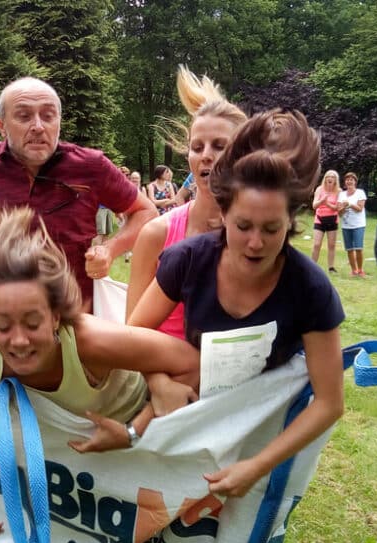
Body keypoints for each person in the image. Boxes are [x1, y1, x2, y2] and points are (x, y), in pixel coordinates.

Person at [0, 206, 199, 543]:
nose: (19, 340)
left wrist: (135, 429)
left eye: (32, 323)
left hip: (144, 443)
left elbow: (191, 361)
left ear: (56, 317)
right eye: (3, 325)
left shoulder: (91, 341)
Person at [128, 109, 345, 498]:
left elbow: (329, 402)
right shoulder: (188, 258)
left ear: (291, 219)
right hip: (189, 406)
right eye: (243, 227)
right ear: (226, 212)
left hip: (259, 424)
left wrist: (257, 466)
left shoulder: (311, 288)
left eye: (271, 229)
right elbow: (131, 335)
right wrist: (159, 384)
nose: (255, 243)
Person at [0, 77, 158, 306]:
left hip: (75, 316)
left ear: (59, 122)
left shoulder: (90, 166)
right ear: (1, 126)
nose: (38, 126)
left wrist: (110, 249)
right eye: (24, 116)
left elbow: (146, 211)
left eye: (48, 116)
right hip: (2, 321)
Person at [126, 65, 247, 340]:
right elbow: (131, 338)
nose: (206, 156)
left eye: (219, 146)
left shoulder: (258, 236)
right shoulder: (156, 234)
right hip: (163, 363)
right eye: (197, 147)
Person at [311, 170, 345, 273]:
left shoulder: (339, 191)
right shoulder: (319, 189)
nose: (330, 178)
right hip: (319, 219)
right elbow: (314, 205)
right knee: (316, 244)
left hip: (332, 220)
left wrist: (327, 203)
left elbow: (337, 208)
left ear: (336, 180)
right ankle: (312, 267)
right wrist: (322, 201)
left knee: (331, 245)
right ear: (325, 179)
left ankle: (331, 267)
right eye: (328, 176)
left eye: (333, 177)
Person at [339, 172, 368, 277]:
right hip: (346, 225)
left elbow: (360, 208)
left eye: (351, 179)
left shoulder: (360, 193)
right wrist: (343, 207)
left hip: (358, 225)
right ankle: (353, 270)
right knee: (349, 249)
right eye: (347, 180)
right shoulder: (341, 195)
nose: (349, 181)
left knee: (358, 248)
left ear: (355, 182)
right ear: (345, 182)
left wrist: (349, 204)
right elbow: (339, 213)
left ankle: (360, 270)